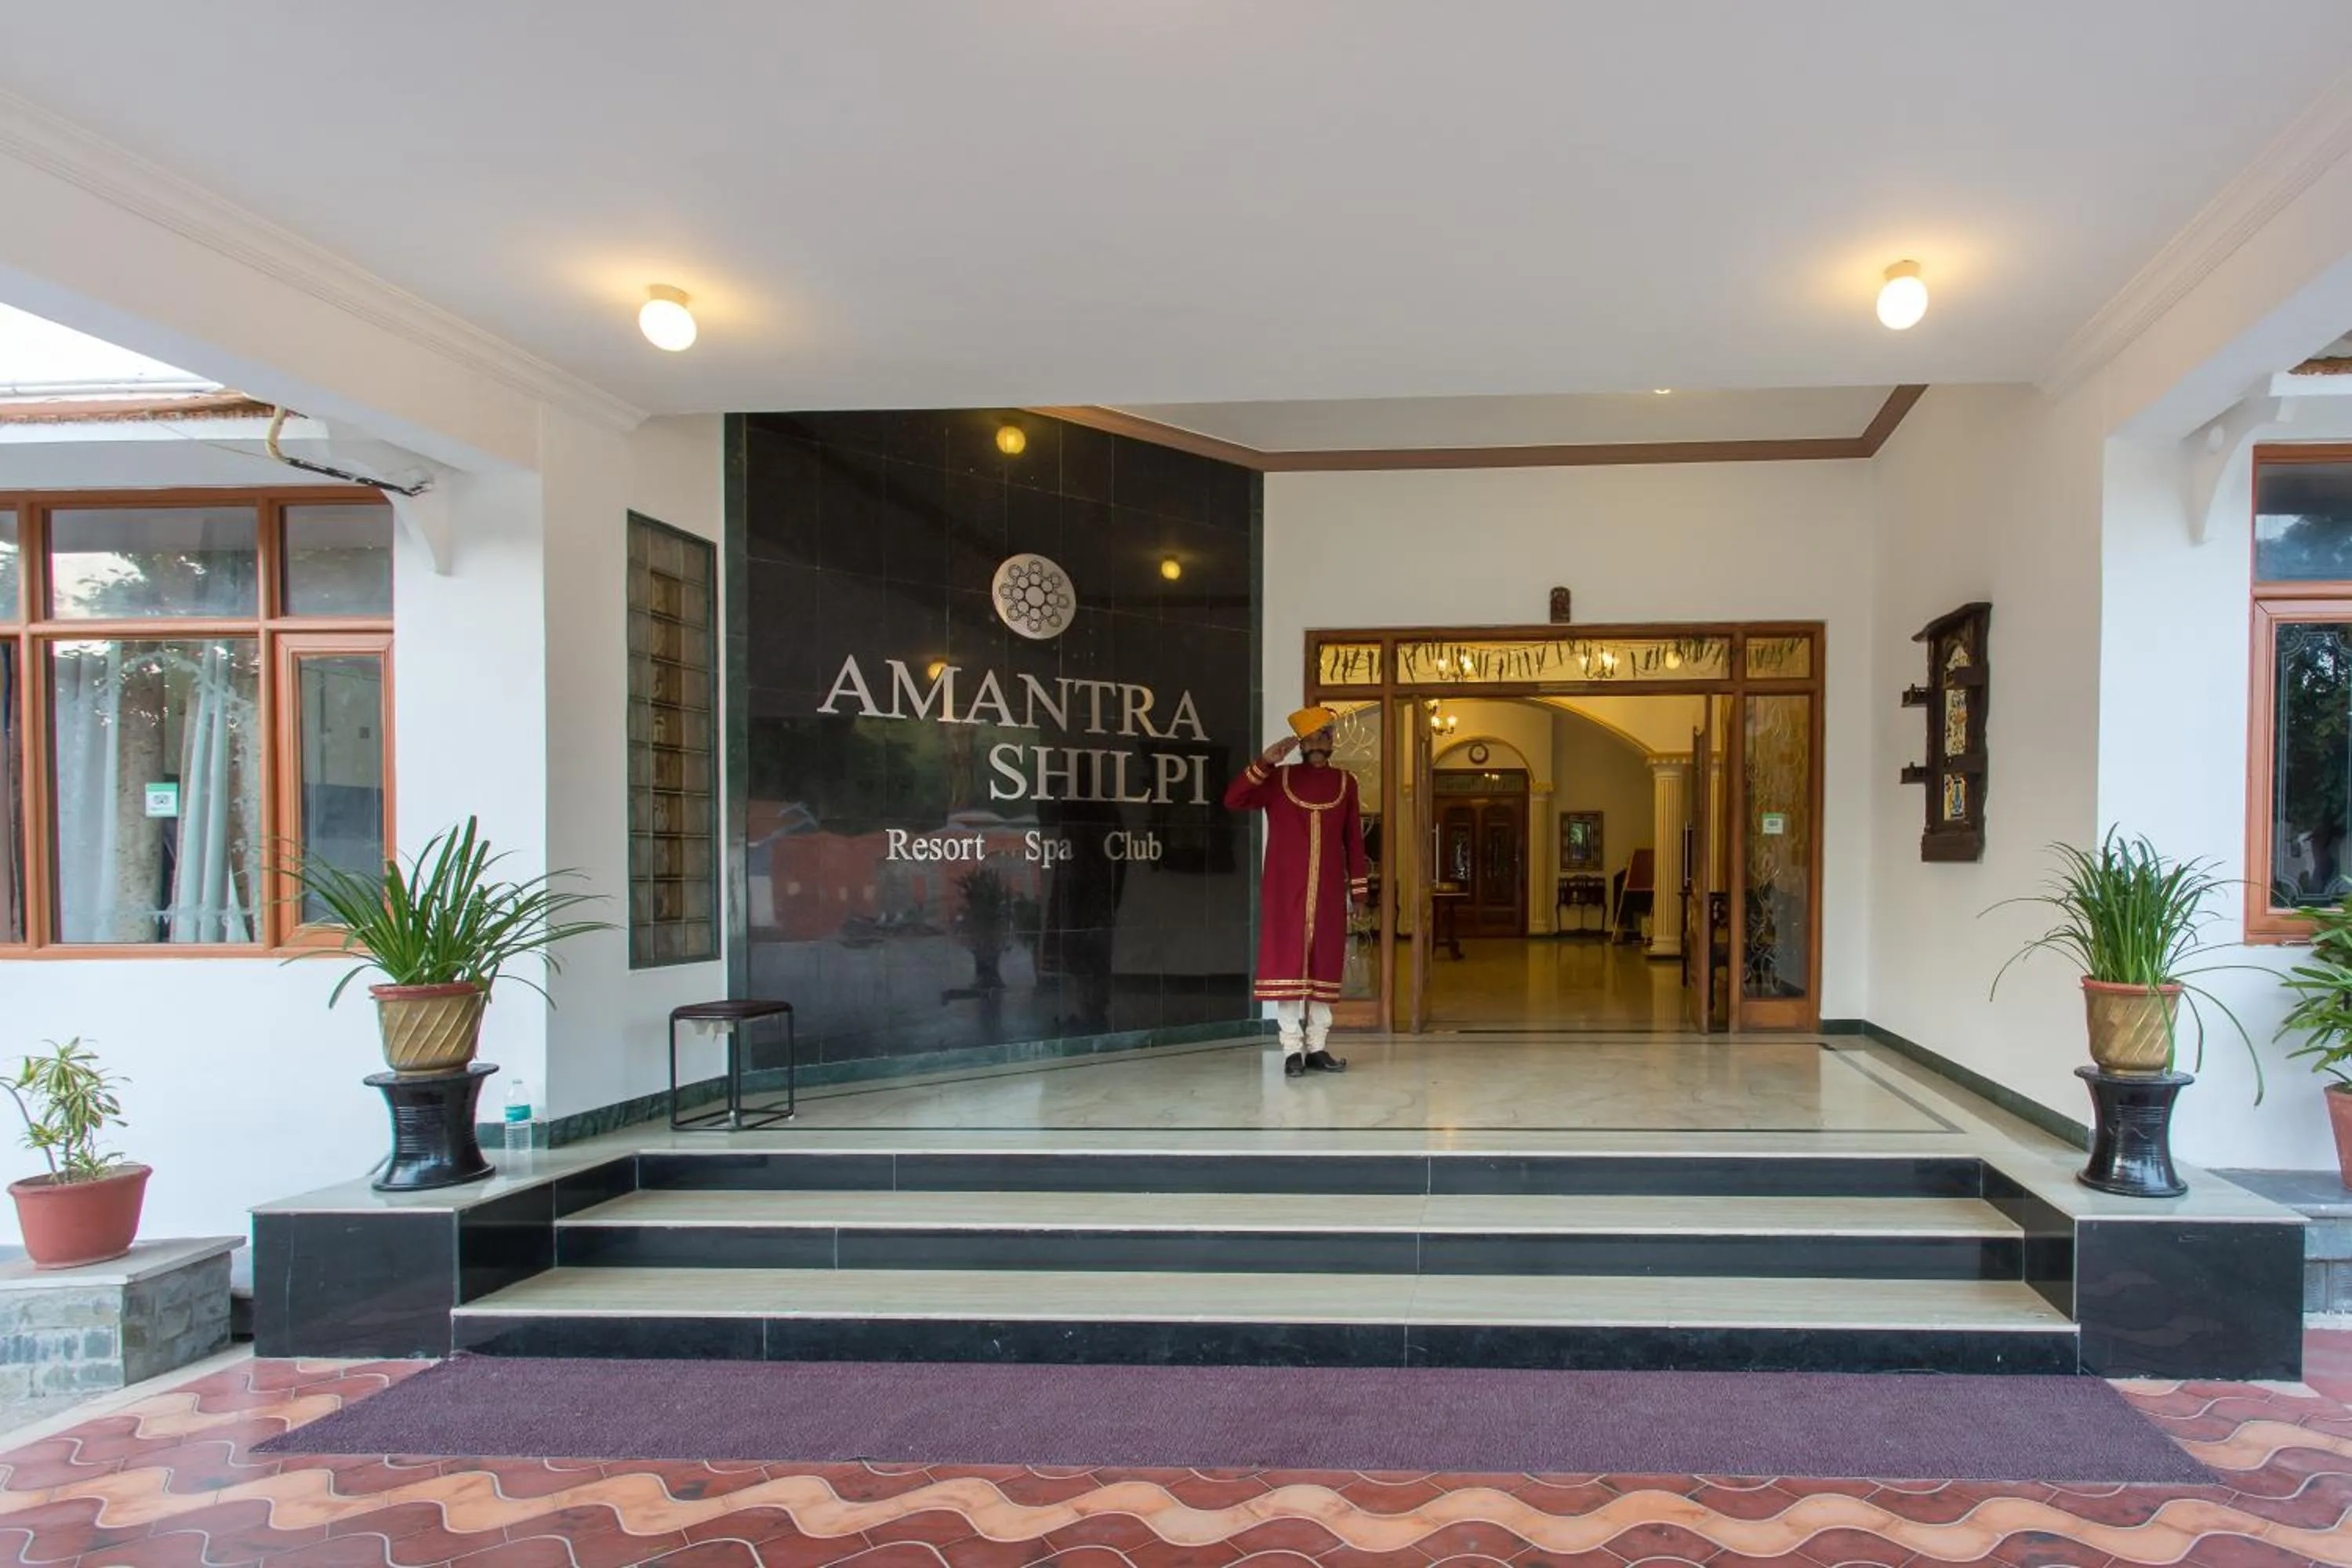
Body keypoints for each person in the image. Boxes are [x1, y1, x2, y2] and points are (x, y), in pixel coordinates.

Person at [1224, 706, 1369, 1076]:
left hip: (1328, 894)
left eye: (1324, 736)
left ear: (1332, 741)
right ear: (1300, 743)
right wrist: (1264, 762)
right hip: (1284, 891)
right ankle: (1291, 1049)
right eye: (1311, 737)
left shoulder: (1345, 782)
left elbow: (1354, 842)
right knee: (1287, 967)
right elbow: (1234, 799)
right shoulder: (1280, 779)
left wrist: (1359, 894)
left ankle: (1318, 1047)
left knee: (1323, 966)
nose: (1318, 743)